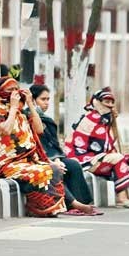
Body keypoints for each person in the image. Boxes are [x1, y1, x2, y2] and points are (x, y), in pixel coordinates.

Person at [0, 77, 66, 217]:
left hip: (25, 160)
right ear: (1, 91)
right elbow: (6, 129)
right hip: (3, 164)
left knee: (54, 169)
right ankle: (40, 208)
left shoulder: (21, 111)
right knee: (40, 173)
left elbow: (39, 129)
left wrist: (30, 104)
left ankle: (49, 207)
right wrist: (13, 108)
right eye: (10, 90)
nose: (15, 93)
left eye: (16, 89)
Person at [65, 87, 129, 208]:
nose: (110, 105)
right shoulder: (91, 118)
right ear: (97, 102)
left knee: (127, 160)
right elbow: (98, 145)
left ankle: (127, 197)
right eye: (106, 101)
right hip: (83, 158)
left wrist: (113, 122)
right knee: (119, 158)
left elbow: (110, 141)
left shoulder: (105, 119)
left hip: (97, 157)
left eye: (112, 102)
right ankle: (121, 199)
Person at [28, 85, 99, 215]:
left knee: (73, 165)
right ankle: (70, 205)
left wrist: (57, 159)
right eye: (43, 99)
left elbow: (53, 145)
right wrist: (50, 161)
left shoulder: (47, 120)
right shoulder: (27, 118)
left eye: (48, 99)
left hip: (52, 157)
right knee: (55, 170)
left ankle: (82, 203)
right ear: (33, 100)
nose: (46, 103)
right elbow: (34, 145)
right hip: (36, 158)